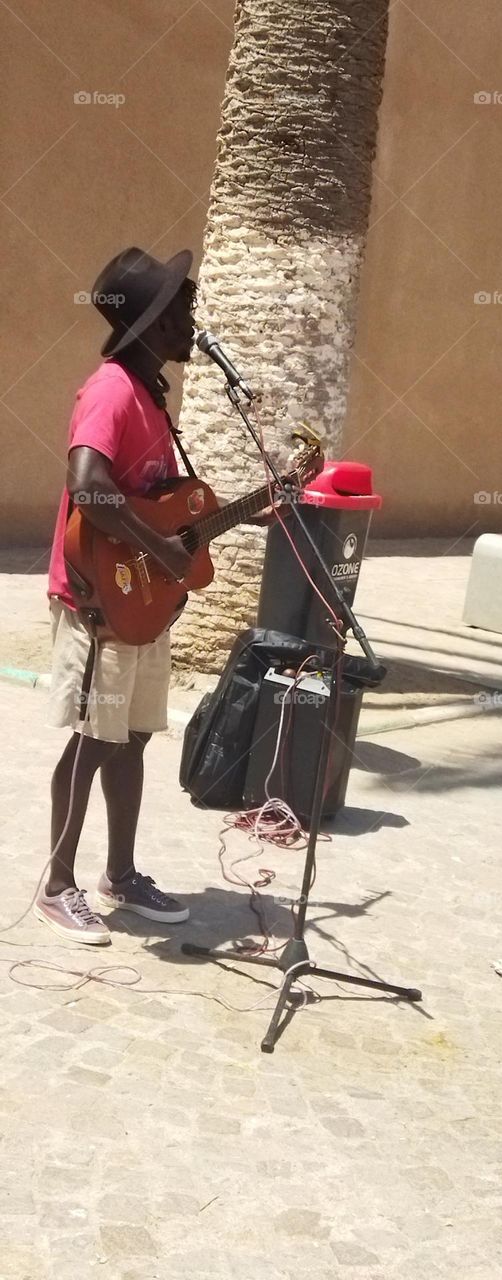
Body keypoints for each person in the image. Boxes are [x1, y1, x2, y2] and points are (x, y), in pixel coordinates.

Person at [36, 246, 202, 943]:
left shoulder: (152, 394)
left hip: (142, 599)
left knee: (131, 737)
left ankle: (123, 875)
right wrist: (161, 546)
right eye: (180, 312)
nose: (193, 322)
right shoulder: (110, 390)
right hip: (99, 601)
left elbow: (153, 499)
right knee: (93, 740)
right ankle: (56, 882)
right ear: (150, 327)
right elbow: (88, 483)